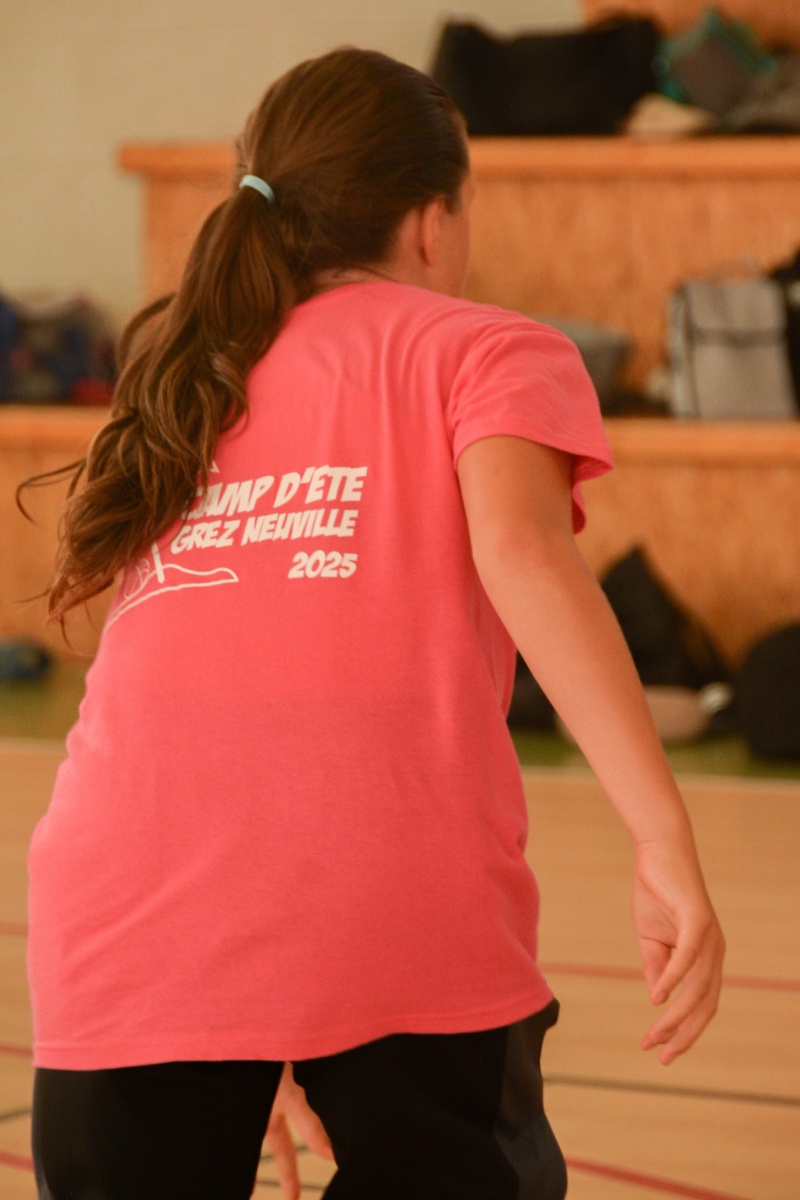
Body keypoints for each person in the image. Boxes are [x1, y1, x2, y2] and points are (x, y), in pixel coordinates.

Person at [22, 46, 725, 1200]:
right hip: (384, 903)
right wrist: (660, 836)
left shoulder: (185, 370)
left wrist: (261, 1007)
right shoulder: (486, 347)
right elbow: (522, 556)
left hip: (116, 915)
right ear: (431, 221)